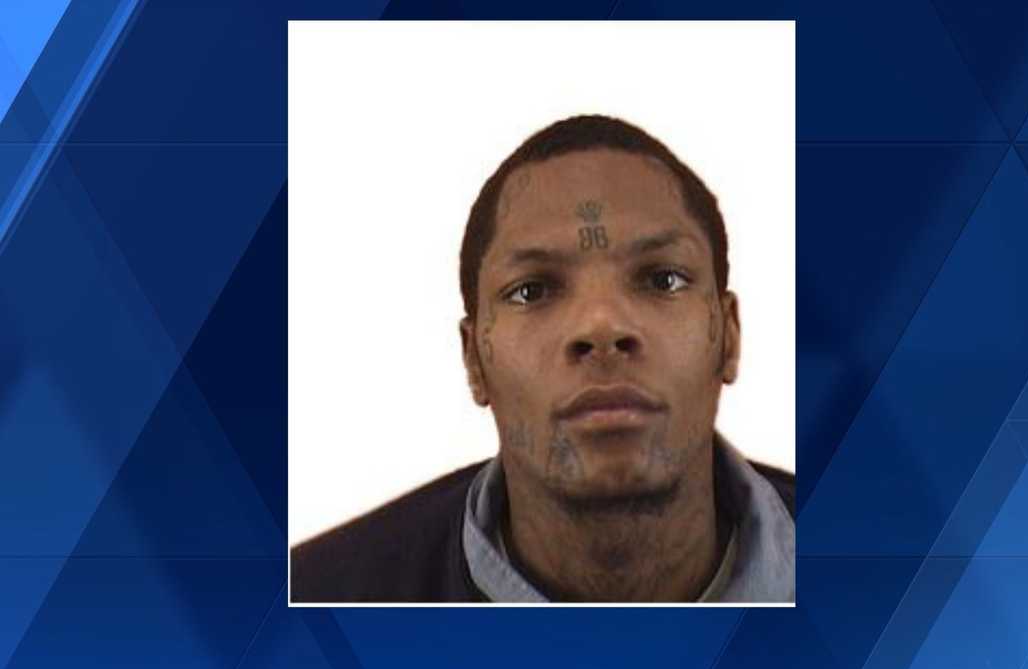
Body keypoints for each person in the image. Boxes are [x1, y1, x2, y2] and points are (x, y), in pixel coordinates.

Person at [291, 115, 795, 603]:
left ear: (729, 335)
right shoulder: (311, 601)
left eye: (663, 280)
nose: (601, 326)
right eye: (531, 291)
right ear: (473, 359)